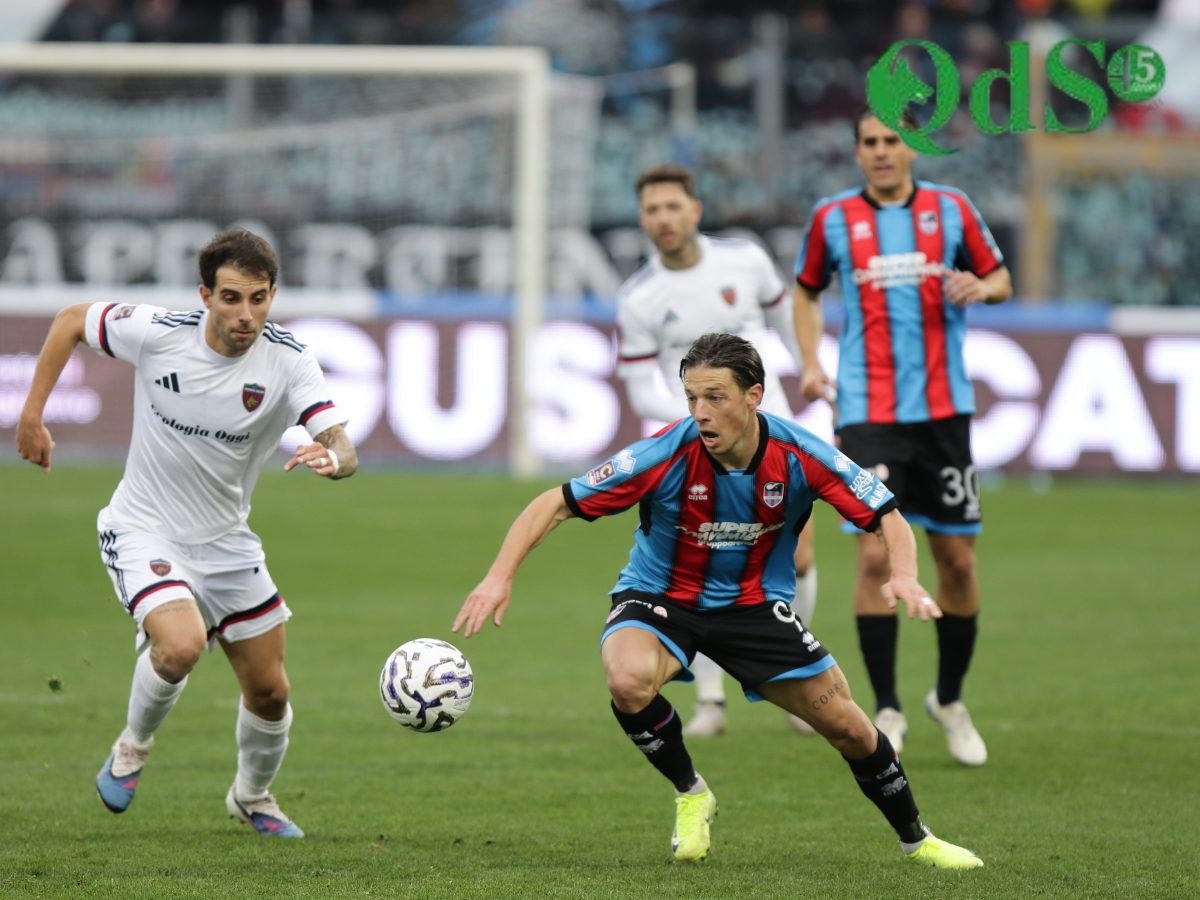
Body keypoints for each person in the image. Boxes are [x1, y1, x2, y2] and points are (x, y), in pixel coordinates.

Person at [454, 332, 983, 869]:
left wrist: (907, 575)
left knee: (848, 727)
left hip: (754, 607)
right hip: (661, 598)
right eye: (691, 398)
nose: (700, 413)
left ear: (754, 396)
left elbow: (886, 515)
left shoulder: (801, 454)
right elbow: (556, 503)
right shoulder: (663, 453)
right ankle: (692, 792)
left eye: (715, 397)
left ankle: (919, 840)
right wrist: (499, 576)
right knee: (627, 679)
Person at [16, 227, 358, 837]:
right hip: (144, 527)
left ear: (273, 294)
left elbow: (341, 442)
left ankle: (251, 797)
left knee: (271, 692)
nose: (245, 314)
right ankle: (131, 748)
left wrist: (332, 458)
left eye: (258, 298)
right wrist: (32, 414)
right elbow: (70, 319)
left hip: (227, 542)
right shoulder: (157, 333)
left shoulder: (290, 359)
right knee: (180, 644)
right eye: (231, 298)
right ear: (205, 294)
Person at [792, 107, 1012, 766]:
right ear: (856, 151)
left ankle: (947, 697)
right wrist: (810, 360)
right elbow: (803, 292)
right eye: (869, 142)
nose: (881, 152)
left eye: (892, 141)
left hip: (945, 411)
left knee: (958, 563)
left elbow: (1001, 277)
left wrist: (982, 286)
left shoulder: (952, 209)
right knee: (872, 558)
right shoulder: (833, 218)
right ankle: (886, 705)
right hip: (866, 410)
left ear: (911, 148)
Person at [617, 162, 821, 738]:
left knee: (797, 556)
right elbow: (638, 388)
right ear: (643, 218)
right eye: (653, 210)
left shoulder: (745, 261)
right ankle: (711, 700)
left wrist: (811, 368)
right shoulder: (639, 298)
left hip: (770, 433)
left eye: (673, 206)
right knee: (706, 560)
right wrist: (696, 421)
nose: (664, 218)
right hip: (698, 445)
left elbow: (788, 318)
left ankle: (789, 679)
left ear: (695, 210)